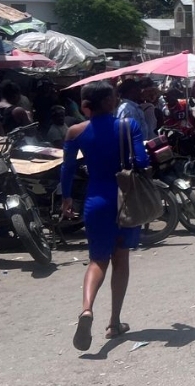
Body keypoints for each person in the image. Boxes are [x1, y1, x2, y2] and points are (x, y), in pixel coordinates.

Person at [60, 81, 149, 350]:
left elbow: (67, 169)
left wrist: (66, 198)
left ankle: (87, 309)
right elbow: (142, 162)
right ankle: (114, 322)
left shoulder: (75, 131)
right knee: (121, 259)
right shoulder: (128, 126)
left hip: (96, 200)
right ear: (110, 102)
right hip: (124, 201)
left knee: (97, 260)